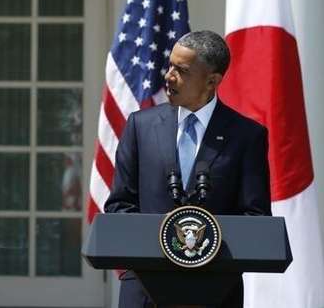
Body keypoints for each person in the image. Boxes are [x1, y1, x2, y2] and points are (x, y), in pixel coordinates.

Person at [104, 30, 270, 308]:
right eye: (170, 66)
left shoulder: (247, 136)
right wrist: (163, 235)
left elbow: (255, 217)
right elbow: (119, 205)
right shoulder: (140, 126)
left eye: (181, 70)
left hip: (216, 290)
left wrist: (204, 239)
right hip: (145, 288)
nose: (168, 76)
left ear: (212, 81)